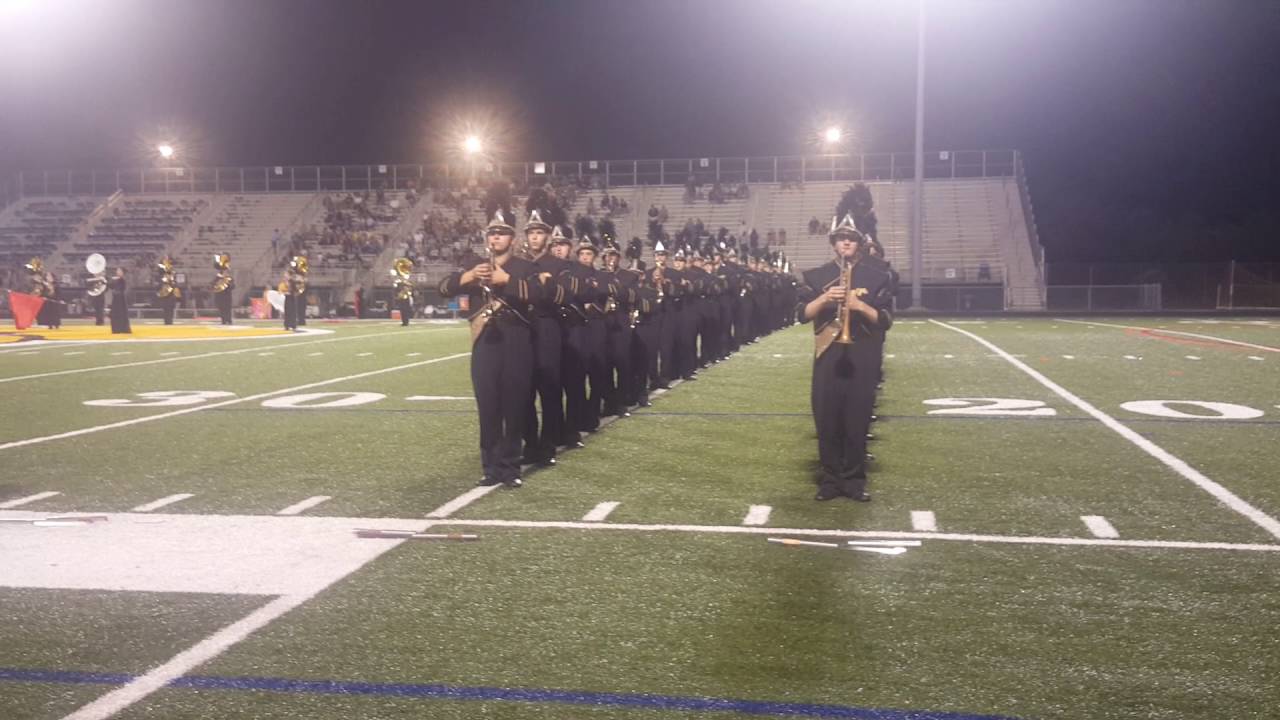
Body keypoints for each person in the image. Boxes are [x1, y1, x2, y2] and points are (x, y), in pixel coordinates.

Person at [438, 209, 540, 489]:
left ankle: (511, 467)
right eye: (492, 233)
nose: (496, 237)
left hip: (516, 341)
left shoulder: (524, 267)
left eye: (502, 233)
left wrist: (506, 282)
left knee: (515, 406)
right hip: (486, 343)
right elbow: (444, 287)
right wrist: (470, 276)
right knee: (488, 407)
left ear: (513, 238)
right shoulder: (476, 265)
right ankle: (491, 467)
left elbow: (540, 295)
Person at [796, 213, 894, 502]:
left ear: (860, 243)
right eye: (841, 238)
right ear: (833, 243)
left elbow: (885, 319)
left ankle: (853, 480)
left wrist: (858, 305)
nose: (846, 242)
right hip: (828, 355)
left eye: (851, 238)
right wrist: (825, 299)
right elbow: (801, 315)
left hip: (862, 355)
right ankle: (830, 479)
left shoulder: (878, 277)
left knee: (857, 418)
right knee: (827, 418)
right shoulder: (816, 276)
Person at [520, 210, 575, 467]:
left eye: (539, 233)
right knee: (524, 391)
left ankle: (548, 443)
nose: (534, 237)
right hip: (522, 330)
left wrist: (547, 285)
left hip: (548, 327)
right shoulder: (518, 263)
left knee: (549, 388)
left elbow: (564, 296)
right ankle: (530, 443)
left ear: (547, 236)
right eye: (531, 233)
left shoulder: (559, 265)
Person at [212, 253, 234, 325]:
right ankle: (223, 321)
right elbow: (212, 284)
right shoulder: (217, 276)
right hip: (220, 294)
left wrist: (228, 283)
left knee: (227, 308)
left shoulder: (229, 277)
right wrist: (219, 278)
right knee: (221, 308)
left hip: (227, 295)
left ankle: (229, 320)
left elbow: (233, 286)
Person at [109, 267, 132, 334]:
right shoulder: (115, 279)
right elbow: (111, 286)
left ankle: (123, 329)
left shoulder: (124, 279)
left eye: (119, 270)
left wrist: (118, 292)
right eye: (117, 270)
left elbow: (125, 289)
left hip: (121, 300)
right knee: (115, 315)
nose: (117, 272)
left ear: (122, 272)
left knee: (122, 314)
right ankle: (116, 329)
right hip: (115, 300)